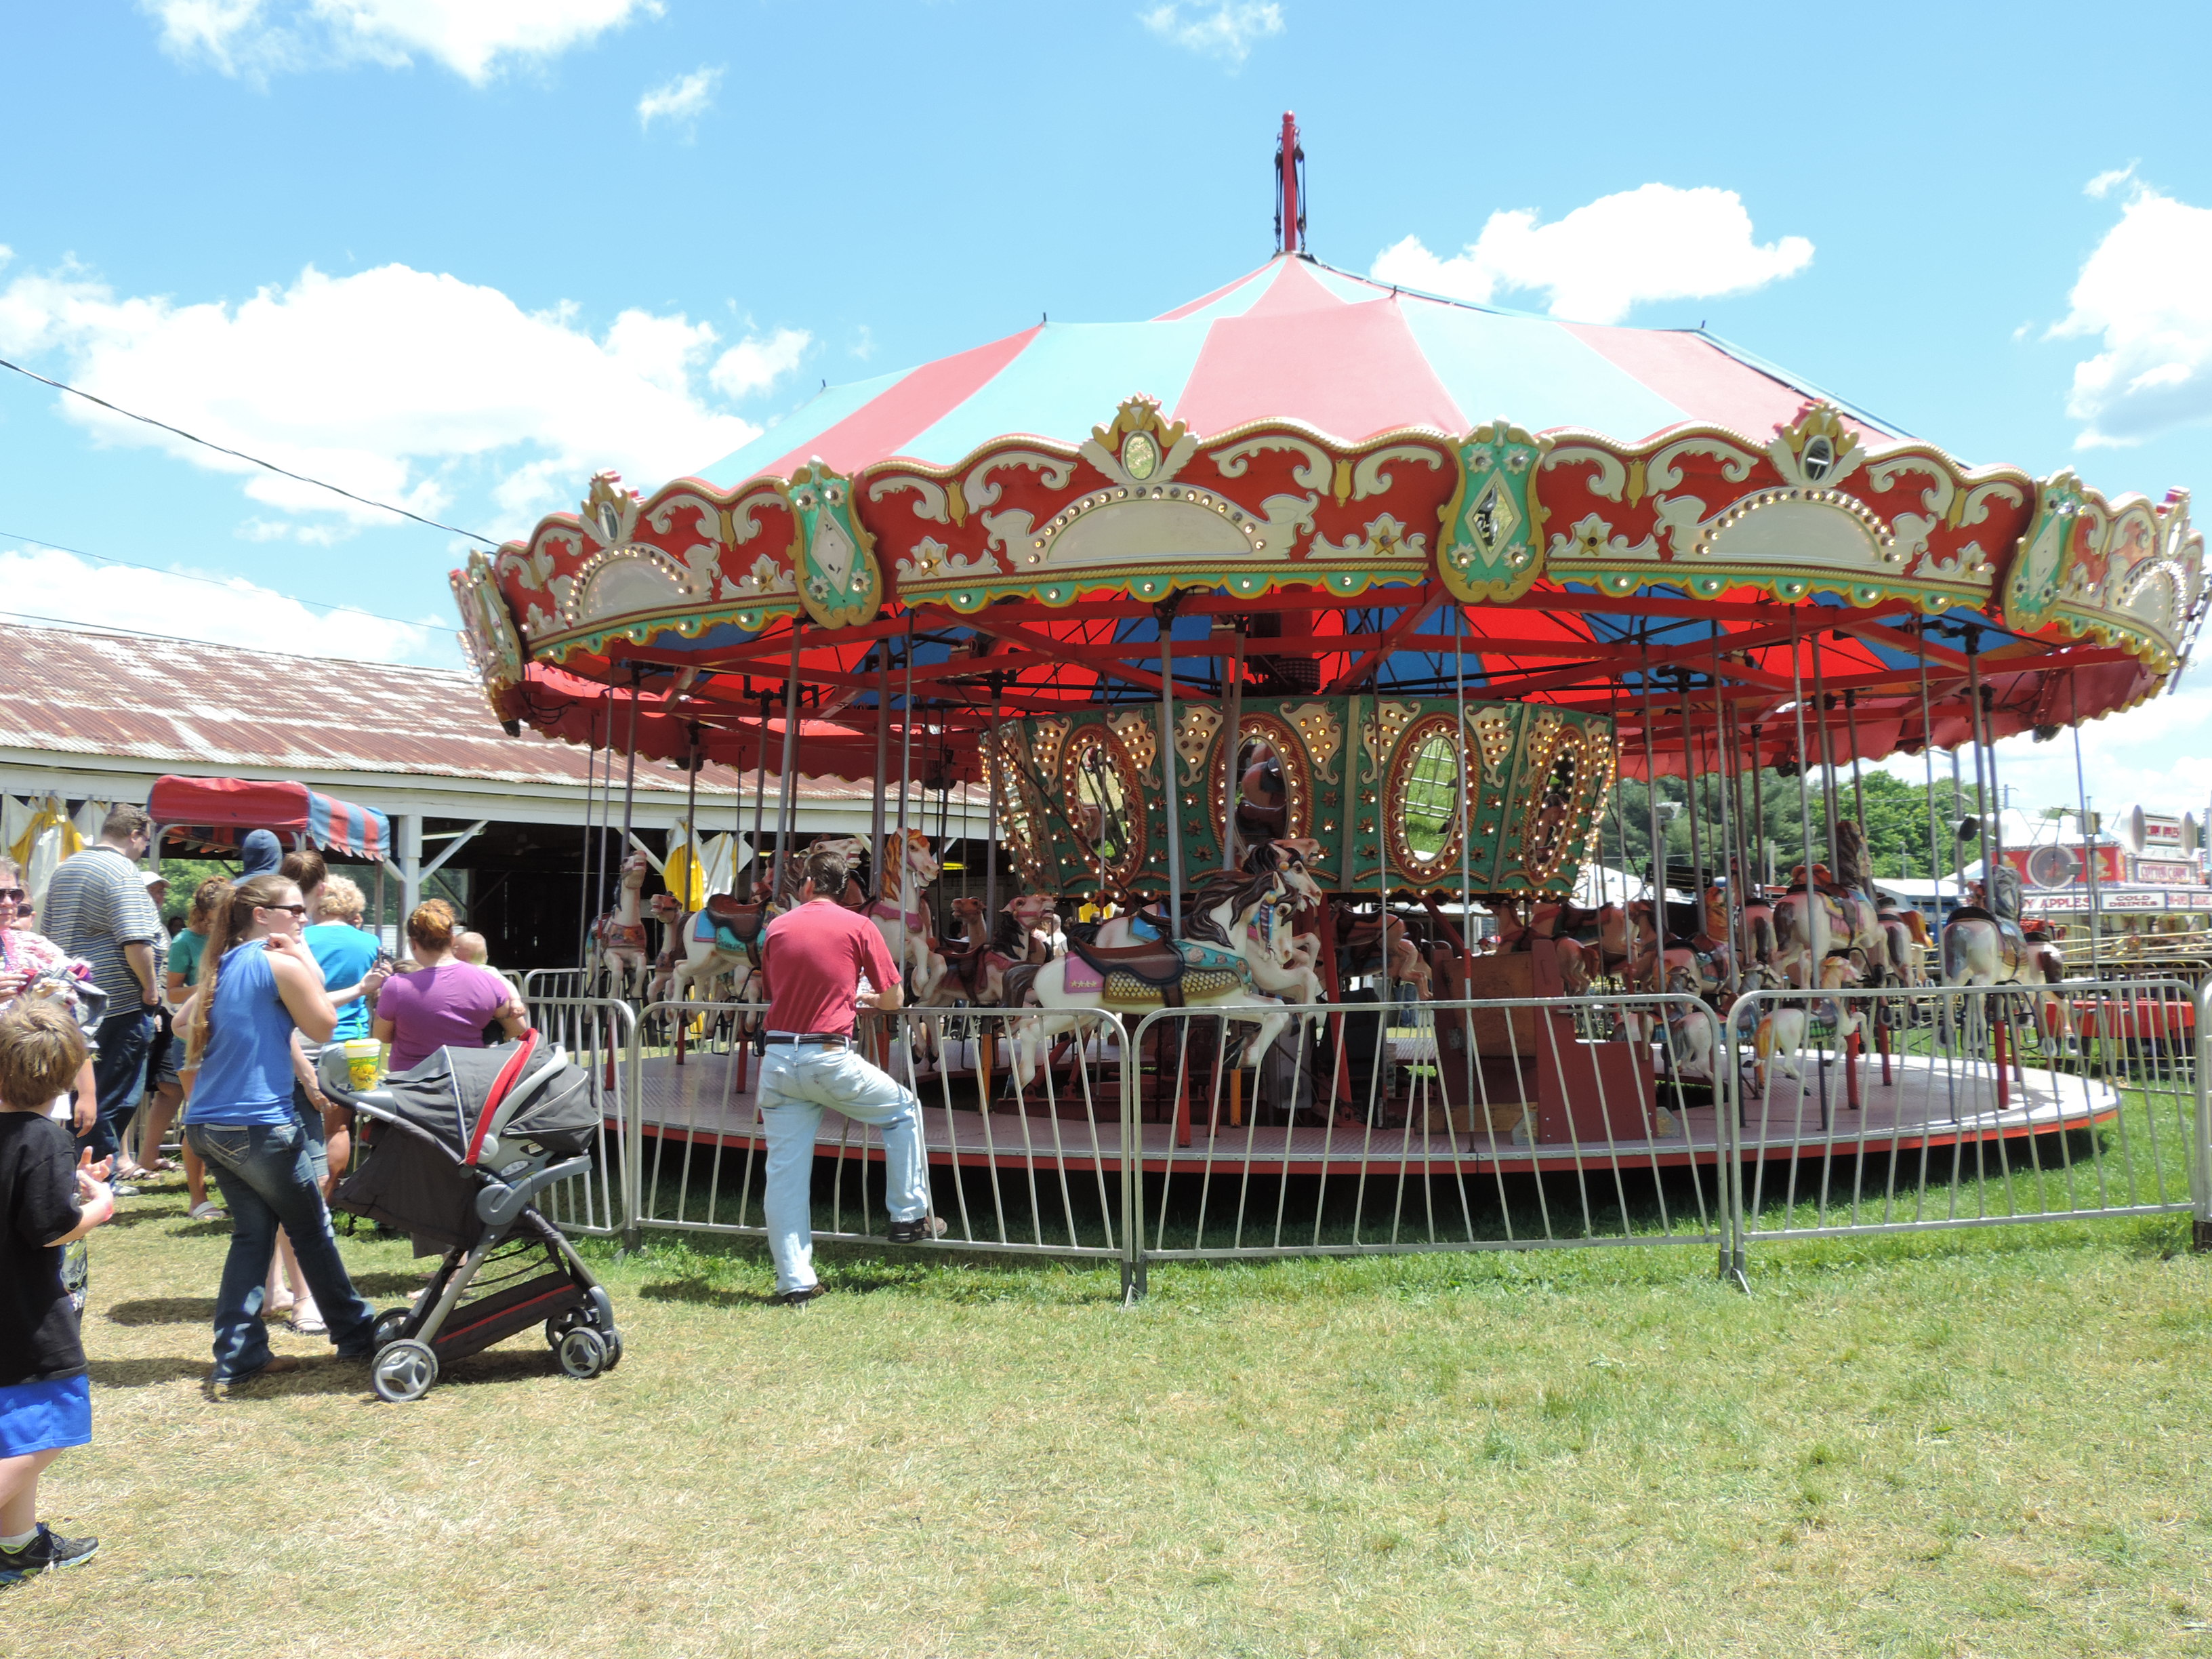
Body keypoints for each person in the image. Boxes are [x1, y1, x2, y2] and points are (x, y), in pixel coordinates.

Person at [180, 873, 375, 1391]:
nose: (303, 918)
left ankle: (240, 1352)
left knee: (254, 1234)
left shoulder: (223, 965)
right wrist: (304, 956)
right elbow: (325, 1025)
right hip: (258, 1124)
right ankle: (356, 1332)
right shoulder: (280, 961)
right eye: (295, 910)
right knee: (312, 1228)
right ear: (262, 916)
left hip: (206, 1125)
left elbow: (181, 1023)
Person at [756, 843, 943, 1310]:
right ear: (842, 889)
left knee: (784, 1175)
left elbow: (779, 988)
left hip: (778, 1060)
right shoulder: (859, 925)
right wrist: (866, 1000)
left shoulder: (777, 928)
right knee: (902, 1111)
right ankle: (909, 1214)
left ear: (808, 885)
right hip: (827, 1055)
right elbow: (895, 998)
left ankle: (795, 1282)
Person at [0, 1002, 114, 1582]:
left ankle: (17, 1545)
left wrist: (69, 1182)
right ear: (67, 1076)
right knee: (50, 1428)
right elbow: (49, 1228)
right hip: (26, 1313)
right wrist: (98, 1207)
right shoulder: (43, 1137)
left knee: (13, 1428)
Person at [37, 806, 162, 1188]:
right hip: (115, 1002)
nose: (144, 848)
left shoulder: (66, 868)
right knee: (114, 1095)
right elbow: (135, 938)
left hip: (71, 1001)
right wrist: (150, 988)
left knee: (80, 1096)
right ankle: (96, 1178)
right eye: (145, 840)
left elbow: (48, 936)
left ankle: (73, 1172)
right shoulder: (123, 872)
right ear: (136, 833)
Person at [0, 861, 100, 1140]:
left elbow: (70, 1025)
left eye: (15, 894)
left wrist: (88, 1091)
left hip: (37, 1088)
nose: (9, 903)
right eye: (0, 894)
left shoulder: (37, 950)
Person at [372, 901, 525, 1074]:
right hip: (468, 1081)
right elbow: (518, 1027)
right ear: (452, 940)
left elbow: (382, 1036)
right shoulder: (488, 980)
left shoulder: (396, 986)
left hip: (411, 1084)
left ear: (413, 944)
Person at [160, 879, 227, 1222]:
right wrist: (206, 987)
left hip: (227, 1039)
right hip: (191, 1040)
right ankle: (197, 1198)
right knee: (198, 1118)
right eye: (219, 914)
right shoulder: (185, 941)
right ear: (203, 914)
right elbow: (171, 994)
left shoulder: (236, 938)